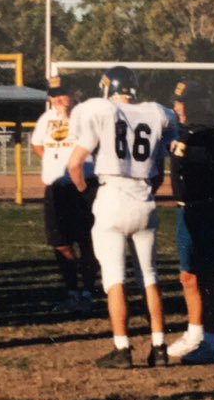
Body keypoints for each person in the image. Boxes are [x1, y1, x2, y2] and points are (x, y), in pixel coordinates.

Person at [67, 66, 179, 369]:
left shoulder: (100, 110)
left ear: (107, 88)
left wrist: (85, 192)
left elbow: (75, 164)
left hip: (111, 198)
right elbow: (158, 171)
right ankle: (159, 347)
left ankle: (122, 348)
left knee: (115, 280)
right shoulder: (155, 112)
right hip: (143, 199)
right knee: (150, 277)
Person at [164, 80, 214, 365]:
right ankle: (195, 334)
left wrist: (185, 150)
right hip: (189, 209)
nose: (178, 108)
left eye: (184, 102)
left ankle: (209, 341)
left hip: (209, 209)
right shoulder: (185, 132)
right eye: (177, 102)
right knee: (189, 275)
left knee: (204, 275)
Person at [30, 76, 98, 315]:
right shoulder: (46, 119)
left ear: (72, 93)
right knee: (60, 242)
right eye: (54, 94)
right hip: (56, 187)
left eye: (62, 93)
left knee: (87, 241)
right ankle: (71, 291)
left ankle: (88, 293)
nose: (58, 99)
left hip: (83, 186)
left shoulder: (85, 115)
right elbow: (37, 144)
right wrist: (53, 163)